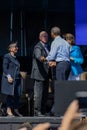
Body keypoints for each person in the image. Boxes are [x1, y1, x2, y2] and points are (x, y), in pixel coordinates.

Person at [31, 31, 50, 116]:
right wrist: (43, 59)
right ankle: (37, 111)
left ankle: (43, 110)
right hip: (39, 74)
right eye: (43, 36)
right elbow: (39, 56)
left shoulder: (47, 46)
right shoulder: (37, 47)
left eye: (46, 36)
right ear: (40, 37)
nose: (45, 37)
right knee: (39, 94)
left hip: (46, 74)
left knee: (45, 93)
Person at [1, 41, 22, 117]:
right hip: (10, 79)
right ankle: (8, 109)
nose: (17, 48)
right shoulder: (7, 56)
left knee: (17, 95)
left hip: (17, 79)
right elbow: (5, 68)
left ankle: (16, 110)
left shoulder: (15, 58)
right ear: (10, 48)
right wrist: (9, 76)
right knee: (10, 94)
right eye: (15, 47)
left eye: (17, 47)